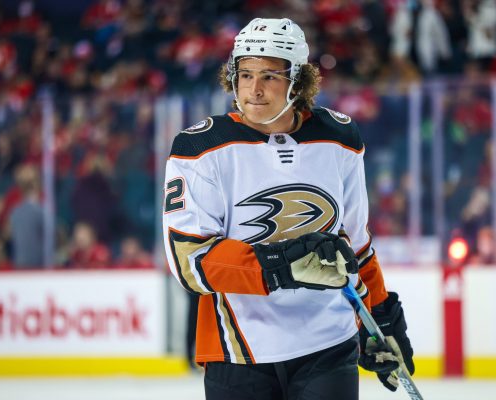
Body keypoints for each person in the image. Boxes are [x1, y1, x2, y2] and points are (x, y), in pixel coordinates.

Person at [162, 18, 415, 400]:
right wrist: (282, 265)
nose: (254, 90)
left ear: (298, 81)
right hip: (239, 354)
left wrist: (379, 317)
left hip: (329, 345)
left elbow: (356, 247)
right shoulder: (200, 148)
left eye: (269, 76)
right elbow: (190, 261)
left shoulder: (339, 138)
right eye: (245, 75)